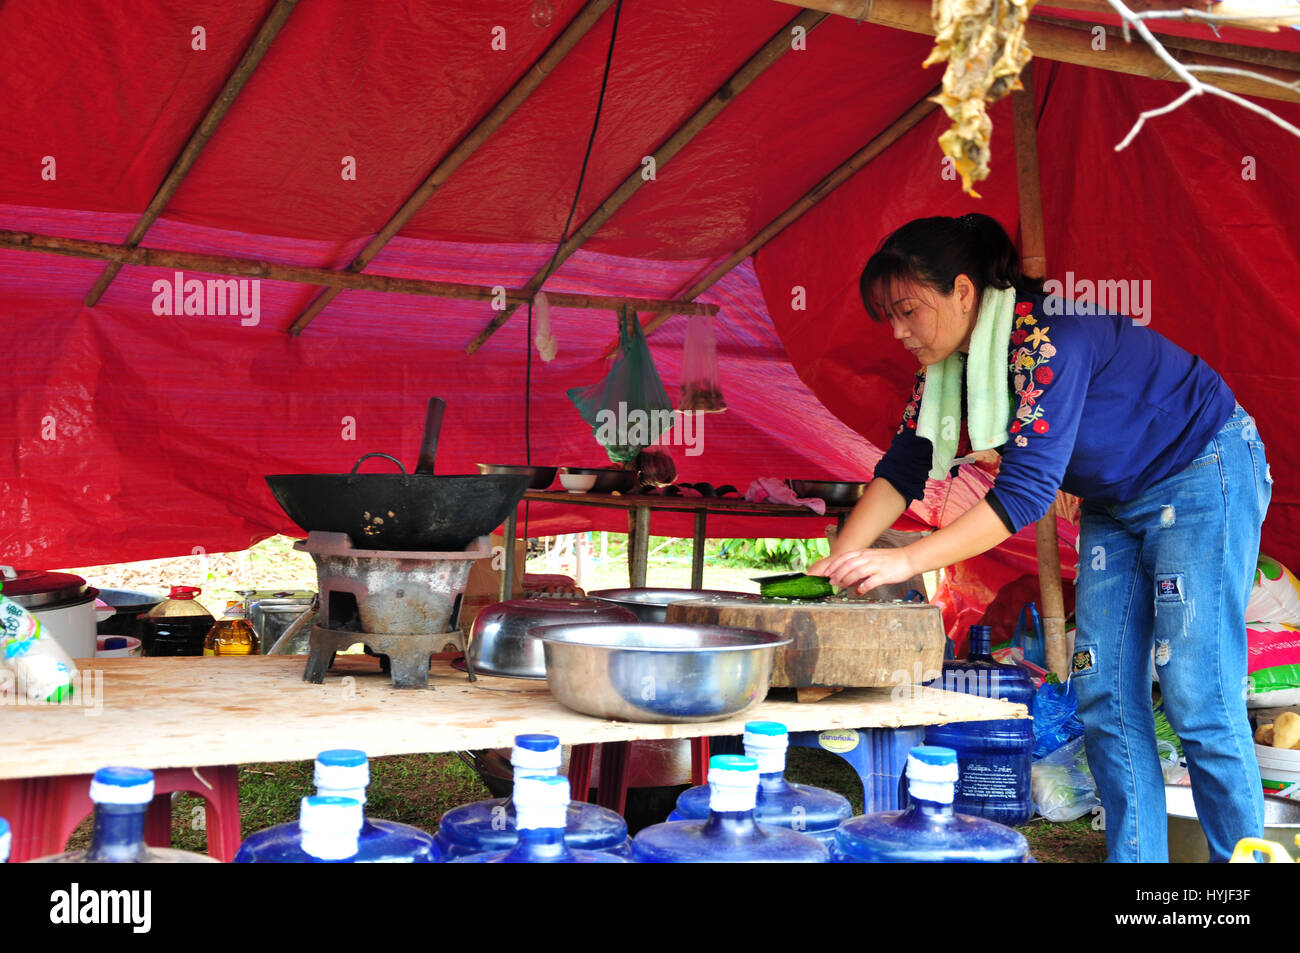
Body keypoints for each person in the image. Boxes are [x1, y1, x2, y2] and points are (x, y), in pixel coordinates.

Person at [809, 213, 1271, 862]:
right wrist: (835, 565)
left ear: (964, 293)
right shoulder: (951, 369)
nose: (897, 330)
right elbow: (905, 465)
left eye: (909, 309)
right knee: (1104, 692)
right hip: (1116, 499)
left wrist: (902, 560)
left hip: (1200, 469)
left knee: (1198, 693)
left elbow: (1024, 495)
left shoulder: (1050, 338)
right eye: (888, 314)